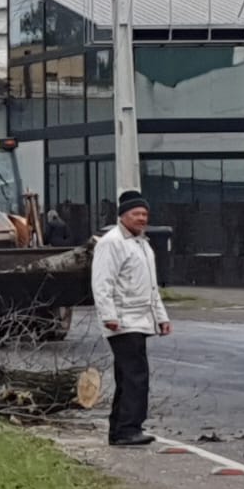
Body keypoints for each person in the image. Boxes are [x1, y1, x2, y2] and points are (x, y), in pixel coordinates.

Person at [92, 189, 172, 446]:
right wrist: (109, 316)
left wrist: (161, 317)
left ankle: (120, 428)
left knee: (129, 376)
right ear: (123, 216)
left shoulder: (142, 244)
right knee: (136, 376)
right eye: (136, 213)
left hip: (140, 319)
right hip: (124, 321)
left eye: (144, 214)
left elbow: (150, 287)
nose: (141, 218)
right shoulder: (112, 243)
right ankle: (128, 429)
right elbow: (102, 283)